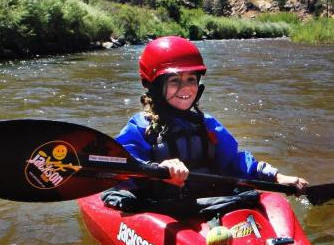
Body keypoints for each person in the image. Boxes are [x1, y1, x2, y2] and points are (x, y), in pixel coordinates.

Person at [104, 35, 307, 210]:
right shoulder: (140, 128)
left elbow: (236, 161)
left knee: (254, 198)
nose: (186, 89)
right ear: (156, 87)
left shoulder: (206, 124)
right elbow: (122, 167)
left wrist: (276, 177)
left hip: (207, 205)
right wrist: (158, 169)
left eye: (191, 80)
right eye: (175, 81)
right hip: (162, 210)